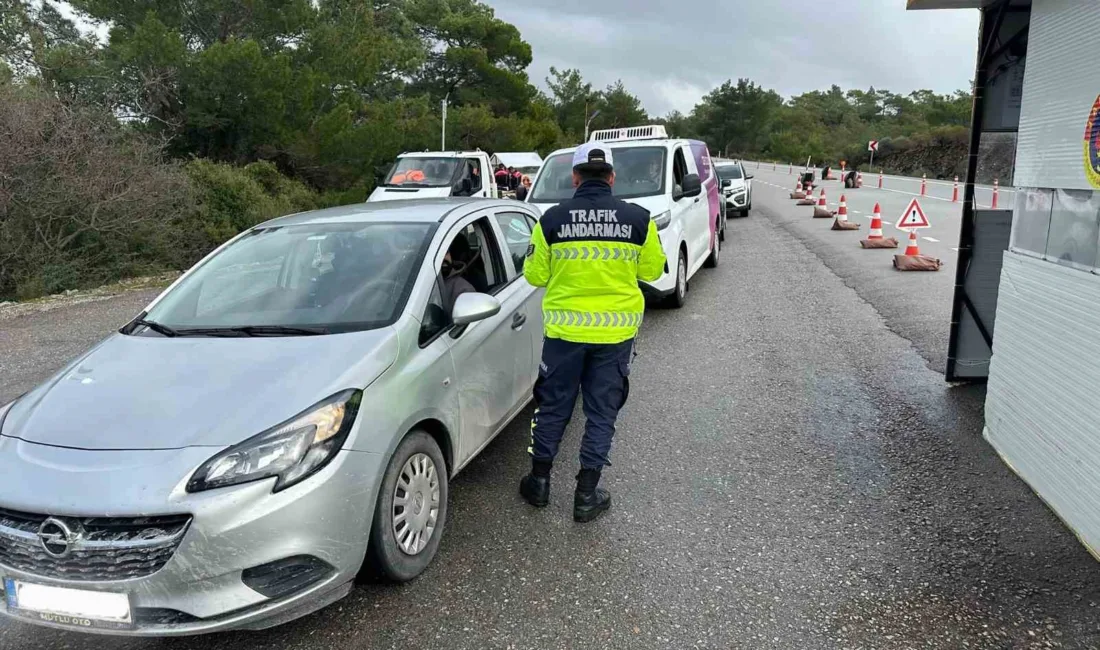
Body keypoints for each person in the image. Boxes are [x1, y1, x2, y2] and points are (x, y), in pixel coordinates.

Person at [520, 142, 667, 523]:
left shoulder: (551, 219)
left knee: (553, 406)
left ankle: (539, 484)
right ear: (612, 177)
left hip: (564, 335)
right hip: (614, 337)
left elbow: (534, 275)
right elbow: (653, 271)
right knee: (601, 413)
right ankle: (586, 495)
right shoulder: (639, 219)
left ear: (575, 176)